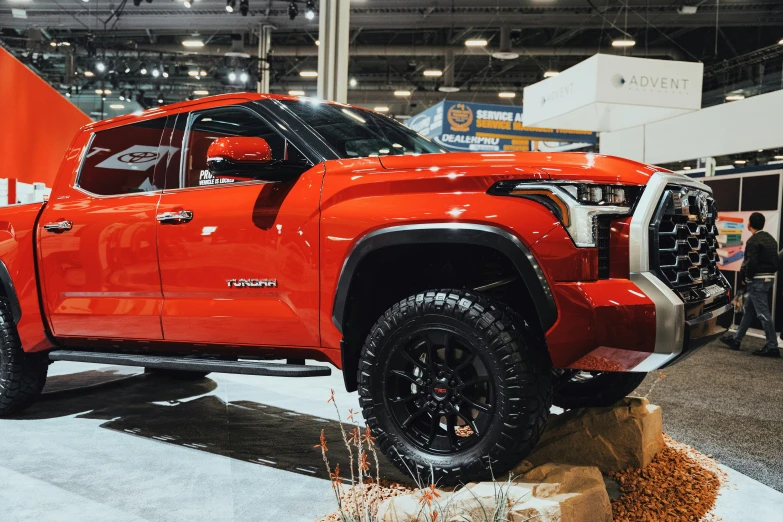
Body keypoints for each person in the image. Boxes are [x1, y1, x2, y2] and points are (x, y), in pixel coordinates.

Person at [721, 212, 780, 357]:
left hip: (757, 280)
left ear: (749, 224)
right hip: (768, 278)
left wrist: (746, 278)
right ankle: (736, 339)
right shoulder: (771, 239)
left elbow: (751, 262)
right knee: (749, 309)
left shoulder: (754, 241)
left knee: (763, 313)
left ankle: (772, 346)